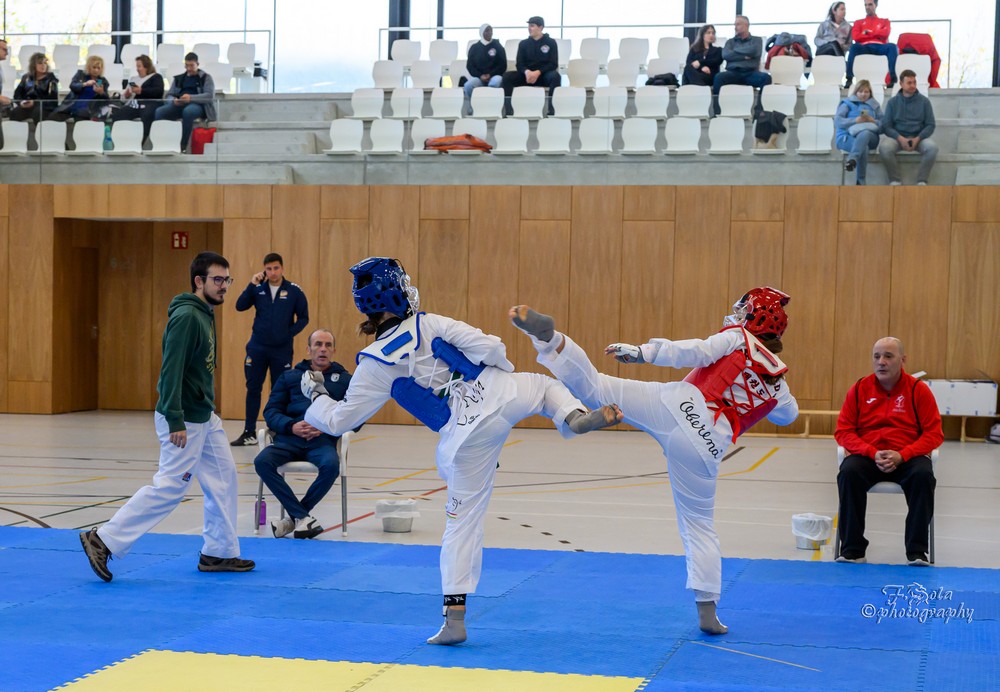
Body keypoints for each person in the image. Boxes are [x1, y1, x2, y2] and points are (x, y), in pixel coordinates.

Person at [302, 257, 622, 646]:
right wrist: (497, 368)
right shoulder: (430, 323)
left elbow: (339, 421)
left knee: (461, 523)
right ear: (397, 292)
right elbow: (493, 347)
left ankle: (454, 617)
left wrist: (316, 396)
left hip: (463, 435)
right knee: (542, 387)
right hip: (501, 392)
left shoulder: (372, 366)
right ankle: (573, 417)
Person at [509, 288, 798, 635]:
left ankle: (551, 341)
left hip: (675, 405)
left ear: (754, 318)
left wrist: (642, 352)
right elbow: (788, 416)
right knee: (699, 527)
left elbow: (694, 350)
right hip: (705, 446)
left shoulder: (737, 338)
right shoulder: (779, 386)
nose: (736, 317)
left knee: (596, 388)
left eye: (743, 312)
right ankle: (708, 613)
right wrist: (770, 387)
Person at [80, 252, 255, 582]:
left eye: (227, 280)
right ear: (199, 281)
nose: (224, 286)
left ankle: (219, 552)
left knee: (224, 476)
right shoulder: (188, 316)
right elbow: (170, 370)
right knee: (171, 487)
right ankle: (103, 539)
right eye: (217, 280)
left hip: (204, 416)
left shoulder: (204, 312)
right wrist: (175, 418)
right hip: (184, 418)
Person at [834, 337, 942, 566]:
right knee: (849, 472)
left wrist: (904, 454)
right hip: (869, 457)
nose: (881, 362)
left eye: (888, 356)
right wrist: (871, 452)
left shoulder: (918, 390)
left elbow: (934, 434)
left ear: (903, 360)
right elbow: (843, 431)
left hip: (907, 457)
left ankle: (917, 551)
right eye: (877, 356)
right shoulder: (859, 389)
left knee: (923, 475)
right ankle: (853, 550)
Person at [255, 328, 352, 539]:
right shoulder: (289, 377)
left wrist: (326, 426)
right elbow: (271, 412)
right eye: (318, 344)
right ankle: (301, 517)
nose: (323, 349)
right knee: (262, 461)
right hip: (289, 440)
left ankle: (294, 518)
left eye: (328, 345)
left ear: (334, 350)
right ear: (308, 349)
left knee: (331, 466)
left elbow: (356, 418)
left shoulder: (345, 380)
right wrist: (292, 426)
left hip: (322, 442)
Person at [232, 252, 309, 446]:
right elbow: (240, 306)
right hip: (257, 348)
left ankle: (277, 431)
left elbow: (304, 317)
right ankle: (249, 432)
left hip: (281, 350)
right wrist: (251, 285)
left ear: (282, 268)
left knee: (279, 390)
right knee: (253, 388)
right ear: (264, 270)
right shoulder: (258, 289)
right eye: (269, 269)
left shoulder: (293, 291)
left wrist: (288, 333)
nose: (273, 272)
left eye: (276, 268)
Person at [878, 69, 937, 185]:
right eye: (909, 83)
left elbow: (930, 124)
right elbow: (887, 126)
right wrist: (900, 138)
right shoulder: (892, 102)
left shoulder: (924, 102)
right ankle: (895, 180)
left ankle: (922, 180)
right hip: (897, 138)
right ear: (901, 84)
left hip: (919, 138)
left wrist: (918, 139)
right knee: (885, 148)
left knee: (932, 148)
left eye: (914, 82)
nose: (913, 85)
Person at [154, 52, 217, 152]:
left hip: (197, 105)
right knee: (160, 112)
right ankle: (162, 142)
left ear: (197, 64)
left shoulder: (206, 78)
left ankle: (182, 145)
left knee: (188, 112)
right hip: (179, 104)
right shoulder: (179, 79)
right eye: (187, 65)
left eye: (191, 65)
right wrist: (173, 101)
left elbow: (209, 96)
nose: (189, 68)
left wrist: (191, 98)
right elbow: (169, 95)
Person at [501, 16, 560, 116]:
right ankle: (509, 112)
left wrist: (538, 72)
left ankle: (551, 112)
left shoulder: (551, 42)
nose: (529, 28)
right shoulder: (523, 44)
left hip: (543, 76)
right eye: (529, 26)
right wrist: (527, 72)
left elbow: (553, 64)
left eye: (532, 26)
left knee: (555, 76)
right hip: (526, 76)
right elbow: (519, 64)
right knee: (507, 77)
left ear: (540, 27)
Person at [712, 16, 771, 114]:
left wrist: (734, 52)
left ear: (746, 25)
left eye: (738, 24)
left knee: (766, 78)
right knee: (719, 77)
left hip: (750, 73)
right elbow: (726, 55)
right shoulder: (730, 42)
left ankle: (759, 112)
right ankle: (718, 112)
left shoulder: (757, 40)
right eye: (735, 24)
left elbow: (754, 51)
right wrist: (744, 56)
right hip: (733, 73)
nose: (735, 27)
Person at [835, 79, 882, 185]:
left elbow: (884, 125)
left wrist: (873, 121)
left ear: (870, 93)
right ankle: (860, 181)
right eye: (860, 91)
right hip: (846, 137)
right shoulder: (847, 103)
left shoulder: (875, 105)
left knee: (865, 133)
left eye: (866, 92)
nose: (863, 94)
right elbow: (838, 121)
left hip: (871, 137)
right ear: (856, 92)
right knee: (863, 147)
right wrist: (855, 120)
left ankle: (852, 159)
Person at [110, 55, 165, 144]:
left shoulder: (156, 77)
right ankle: (121, 142)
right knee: (119, 114)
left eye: (139, 66)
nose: (137, 69)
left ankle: (139, 143)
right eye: (137, 66)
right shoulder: (133, 79)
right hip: (135, 103)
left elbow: (158, 92)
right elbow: (124, 99)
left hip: (150, 103)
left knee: (147, 115)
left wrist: (141, 91)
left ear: (146, 67)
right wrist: (126, 96)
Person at [845, 0, 897, 89]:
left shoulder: (884, 21)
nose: (867, 7)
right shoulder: (858, 22)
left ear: (876, 5)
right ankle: (849, 78)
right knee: (853, 47)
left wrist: (867, 33)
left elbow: (885, 33)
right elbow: (856, 37)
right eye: (865, 5)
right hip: (865, 47)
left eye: (870, 5)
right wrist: (877, 33)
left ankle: (893, 78)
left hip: (880, 47)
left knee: (892, 47)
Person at [52, 55, 110, 121]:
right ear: (89, 67)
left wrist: (101, 92)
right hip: (72, 104)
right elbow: (72, 86)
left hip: (89, 109)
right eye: (94, 67)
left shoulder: (102, 81)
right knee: (53, 116)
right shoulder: (80, 74)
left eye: (98, 68)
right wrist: (85, 84)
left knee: (82, 114)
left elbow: (107, 101)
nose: (96, 70)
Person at [464, 24, 506, 115]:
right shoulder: (474, 47)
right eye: (487, 31)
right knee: (468, 86)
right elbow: (470, 66)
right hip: (479, 78)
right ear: (481, 32)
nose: (489, 33)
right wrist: (480, 76)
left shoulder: (498, 46)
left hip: (494, 76)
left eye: (491, 30)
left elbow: (503, 65)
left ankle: (491, 107)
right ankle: (473, 106)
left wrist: (490, 74)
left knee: (496, 82)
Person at [10, 52, 59, 123]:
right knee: (15, 112)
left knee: (37, 112)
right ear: (33, 65)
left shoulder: (51, 78)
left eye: (45, 63)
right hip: (28, 106)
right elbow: (17, 95)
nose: (43, 65)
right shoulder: (26, 77)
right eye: (40, 63)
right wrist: (21, 103)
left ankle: (41, 130)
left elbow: (52, 99)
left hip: (44, 107)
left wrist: (35, 103)